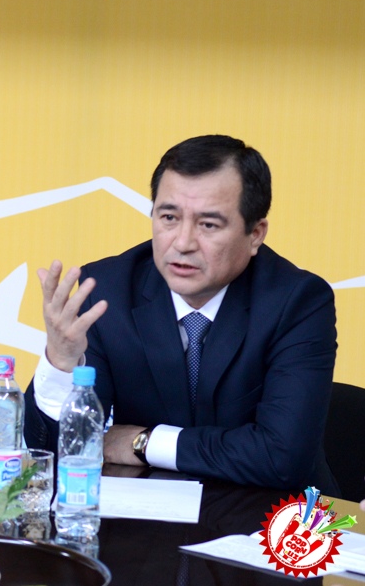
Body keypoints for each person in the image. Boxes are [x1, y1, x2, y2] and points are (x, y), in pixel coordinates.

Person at [24, 135, 337, 492]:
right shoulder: (107, 291)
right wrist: (61, 363)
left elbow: (281, 458)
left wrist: (145, 443)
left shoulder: (297, 302)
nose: (183, 243)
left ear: (255, 234)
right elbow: (58, 451)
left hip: (271, 516)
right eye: (169, 217)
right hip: (143, 513)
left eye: (208, 225)